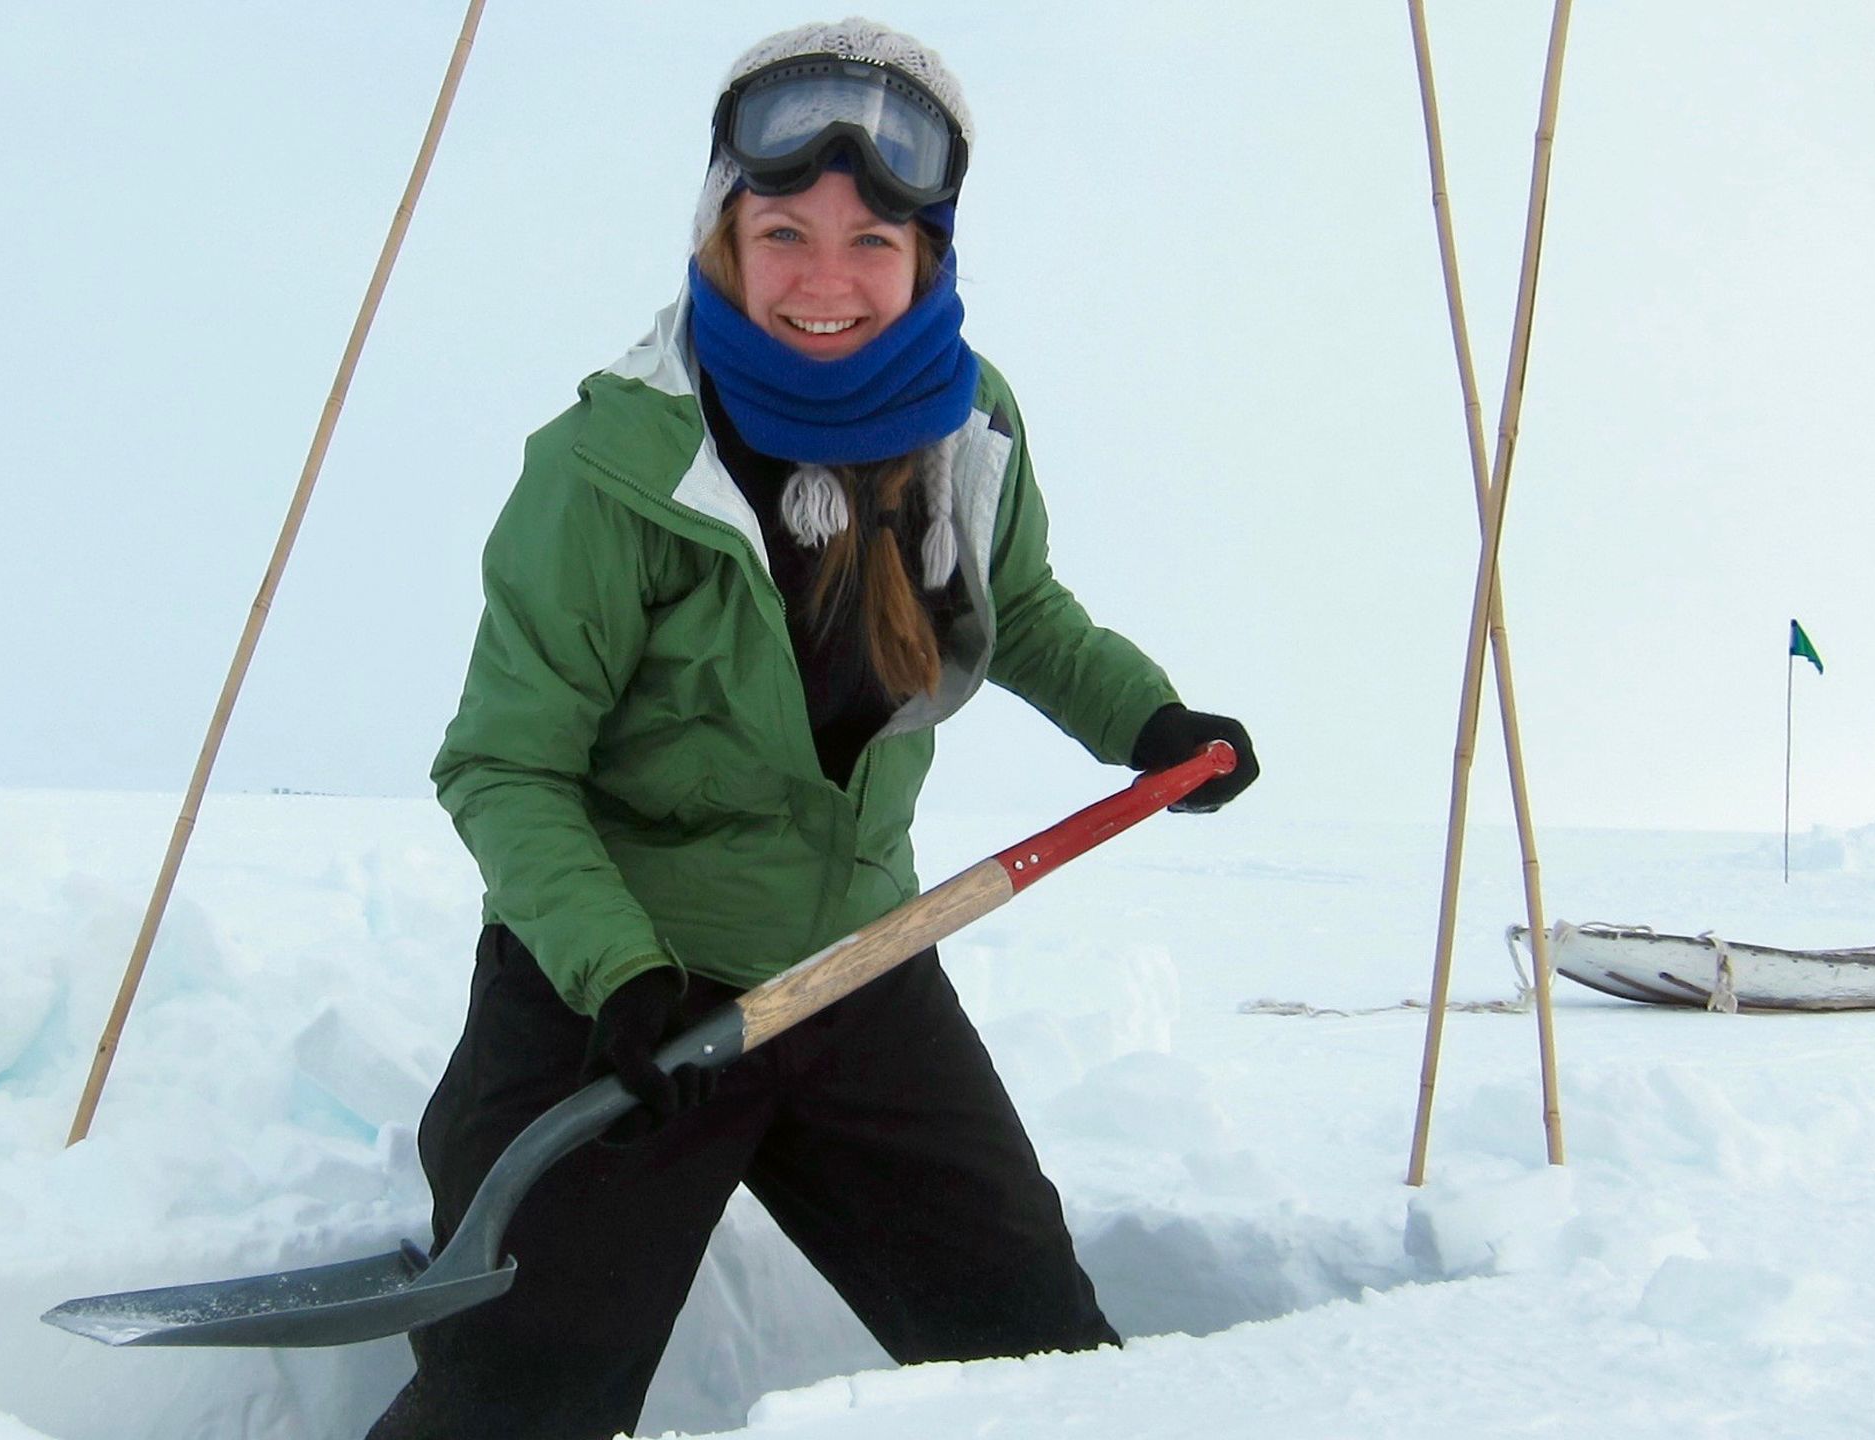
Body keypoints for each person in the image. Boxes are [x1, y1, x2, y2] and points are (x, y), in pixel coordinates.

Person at [366, 18, 1258, 1440]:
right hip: (617, 1006)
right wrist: (621, 978)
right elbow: (503, 762)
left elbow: (1013, 611)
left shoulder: (973, 423)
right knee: (513, 1410)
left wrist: (1143, 715)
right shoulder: (613, 470)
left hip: (857, 968)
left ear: (931, 256)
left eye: (871, 242)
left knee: (1041, 1358)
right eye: (785, 230)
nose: (826, 280)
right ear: (724, 229)